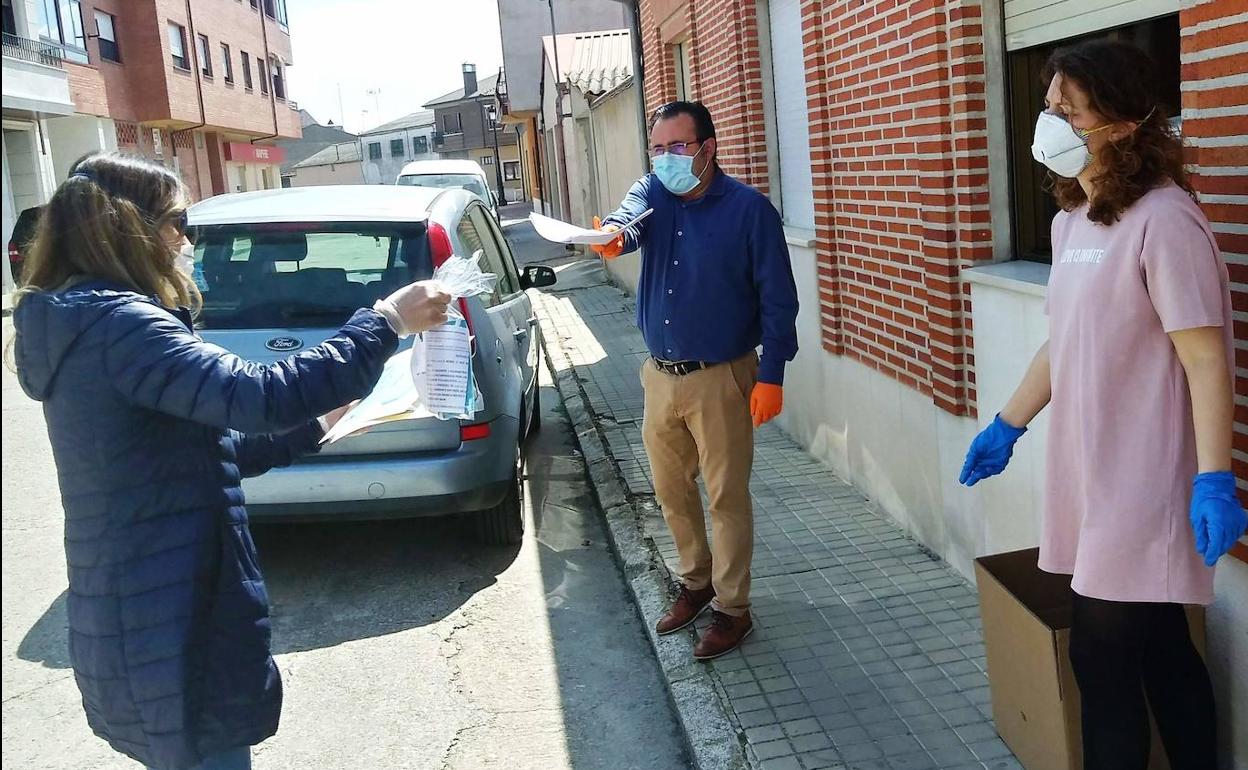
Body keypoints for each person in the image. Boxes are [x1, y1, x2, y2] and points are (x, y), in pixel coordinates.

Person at [10, 153, 451, 770]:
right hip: (172, 607)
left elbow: (202, 448)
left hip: (140, 596)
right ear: (129, 227)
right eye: (176, 221)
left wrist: (321, 422)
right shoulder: (123, 327)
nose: (184, 240)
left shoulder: (85, 324)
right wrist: (384, 321)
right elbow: (260, 395)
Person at [960, 41, 1246, 770]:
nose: (1049, 120)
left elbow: (1206, 358)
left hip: (1143, 481)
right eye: (1049, 105)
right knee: (1158, 650)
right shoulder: (1073, 220)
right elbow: (1065, 343)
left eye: (1068, 109)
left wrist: (1215, 478)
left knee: (1102, 660)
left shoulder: (1166, 221)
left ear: (1120, 126)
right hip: (1089, 471)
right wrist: (1008, 423)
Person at [591, 101, 799, 660]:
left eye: (678, 147)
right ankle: (696, 581)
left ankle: (733, 610)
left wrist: (772, 373)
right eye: (657, 148)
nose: (665, 158)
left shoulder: (750, 210)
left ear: (709, 148)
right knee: (670, 490)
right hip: (659, 376)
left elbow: (779, 300)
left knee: (726, 497)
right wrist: (611, 234)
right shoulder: (653, 195)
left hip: (722, 377)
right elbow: (628, 217)